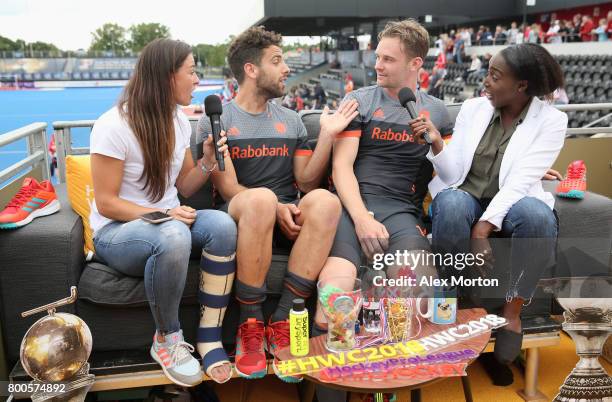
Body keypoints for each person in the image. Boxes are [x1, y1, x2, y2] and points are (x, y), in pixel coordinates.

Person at [197, 26, 356, 381]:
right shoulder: (218, 121)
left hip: (287, 217)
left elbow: (305, 181)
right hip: (243, 214)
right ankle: (250, 325)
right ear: (251, 70)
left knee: (326, 202)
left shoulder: (291, 120)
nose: (286, 68)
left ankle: (283, 318)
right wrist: (275, 205)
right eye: (277, 60)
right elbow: (229, 189)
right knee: (261, 200)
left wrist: (328, 136)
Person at [313, 20, 454, 400]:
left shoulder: (438, 112)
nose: (378, 65)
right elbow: (341, 168)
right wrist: (361, 219)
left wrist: (438, 143)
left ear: (416, 64)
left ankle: (385, 385)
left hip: (401, 212)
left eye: (388, 59)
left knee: (414, 295)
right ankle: (334, 387)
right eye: (377, 57)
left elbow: (452, 172)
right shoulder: (361, 100)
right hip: (352, 206)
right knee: (335, 292)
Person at [90, 39, 237, 386]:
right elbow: (106, 202)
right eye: (191, 71)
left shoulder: (177, 120)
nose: (198, 79)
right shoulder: (114, 124)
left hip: (167, 221)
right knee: (172, 235)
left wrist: (206, 162)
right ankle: (167, 338)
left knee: (223, 225)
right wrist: (164, 216)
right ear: (167, 76)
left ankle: (209, 332)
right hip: (117, 232)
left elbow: (184, 187)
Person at [423, 43, 566, 368]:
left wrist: (483, 228)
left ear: (521, 85)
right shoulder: (474, 108)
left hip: (514, 201)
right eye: (487, 73)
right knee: (452, 204)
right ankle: (456, 305)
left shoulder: (552, 121)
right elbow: (453, 173)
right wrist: (435, 143)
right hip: (467, 194)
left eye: (495, 76)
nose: (485, 81)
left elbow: (519, 182)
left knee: (538, 217)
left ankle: (512, 313)